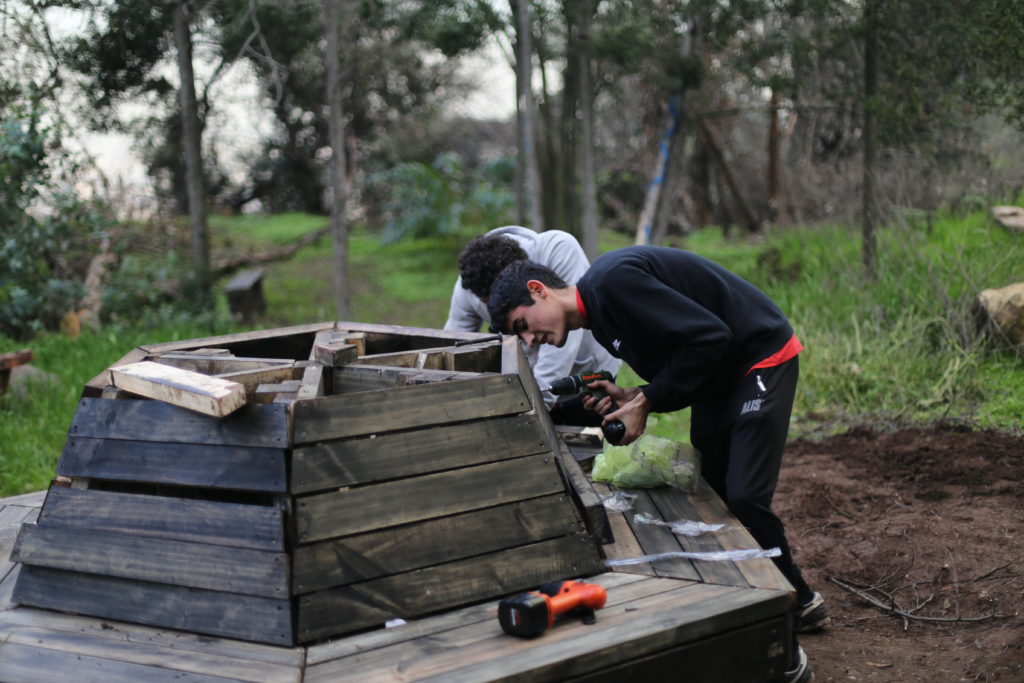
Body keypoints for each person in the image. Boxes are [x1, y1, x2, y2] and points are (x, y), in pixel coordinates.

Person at [487, 246, 828, 683]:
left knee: (744, 495)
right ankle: (778, 600)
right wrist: (635, 394)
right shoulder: (603, 318)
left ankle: (791, 610)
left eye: (524, 326)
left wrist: (647, 402)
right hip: (721, 377)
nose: (532, 340)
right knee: (715, 490)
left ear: (539, 291)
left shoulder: (612, 284)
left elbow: (712, 336)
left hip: (759, 356)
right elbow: (689, 356)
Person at [444, 226, 620, 425]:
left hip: (586, 381)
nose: (528, 339)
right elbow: (453, 345)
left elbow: (563, 343)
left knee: (591, 450)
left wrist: (530, 408)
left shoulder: (557, 249)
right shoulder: (469, 285)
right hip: (524, 391)